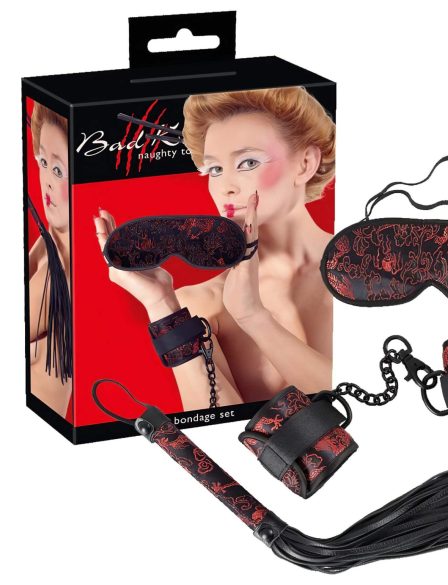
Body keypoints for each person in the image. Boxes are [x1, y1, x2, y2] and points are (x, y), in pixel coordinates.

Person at [94, 86, 335, 410]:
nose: (225, 187)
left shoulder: (368, 265)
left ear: (305, 163)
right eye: (215, 169)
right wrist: (161, 303)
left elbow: (361, 404)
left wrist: (253, 317)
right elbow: (214, 428)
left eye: (248, 162)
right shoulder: (201, 304)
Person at [28, 102, 72, 417]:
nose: (45, 180)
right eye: (43, 162)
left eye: (58, 171)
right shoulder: (48, 246)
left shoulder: (59, 281)